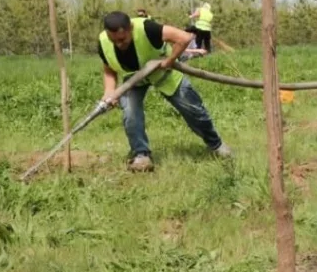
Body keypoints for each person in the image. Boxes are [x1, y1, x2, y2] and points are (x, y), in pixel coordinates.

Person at [97, 11, 232, 172]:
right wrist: (109, 91)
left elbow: (184, 37)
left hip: (163, 72)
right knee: (131, 114)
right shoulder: (103, 41)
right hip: (133, 79)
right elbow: (108, 68)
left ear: (130, 28)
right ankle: (141, 155)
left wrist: (169, 60)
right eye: (114, 41)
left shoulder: (146, 27)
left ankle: (216, 145)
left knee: (193, 109)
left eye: (122, 39)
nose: (118, 44)